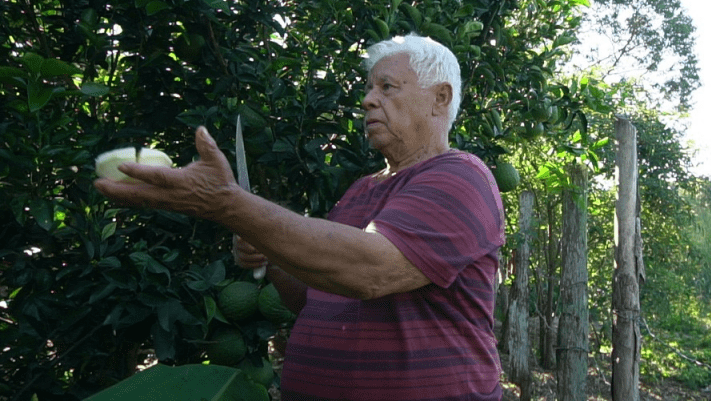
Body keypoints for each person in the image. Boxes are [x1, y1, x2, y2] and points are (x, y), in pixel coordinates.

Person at [94, 35, 506, 401]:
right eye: (368, 88)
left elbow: (369, 271)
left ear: (440, 98)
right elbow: (313, 297)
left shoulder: (460, 177)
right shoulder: (362, 190)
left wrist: (230, 205)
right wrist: (270, 254)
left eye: (387, 87)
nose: (367, 100)